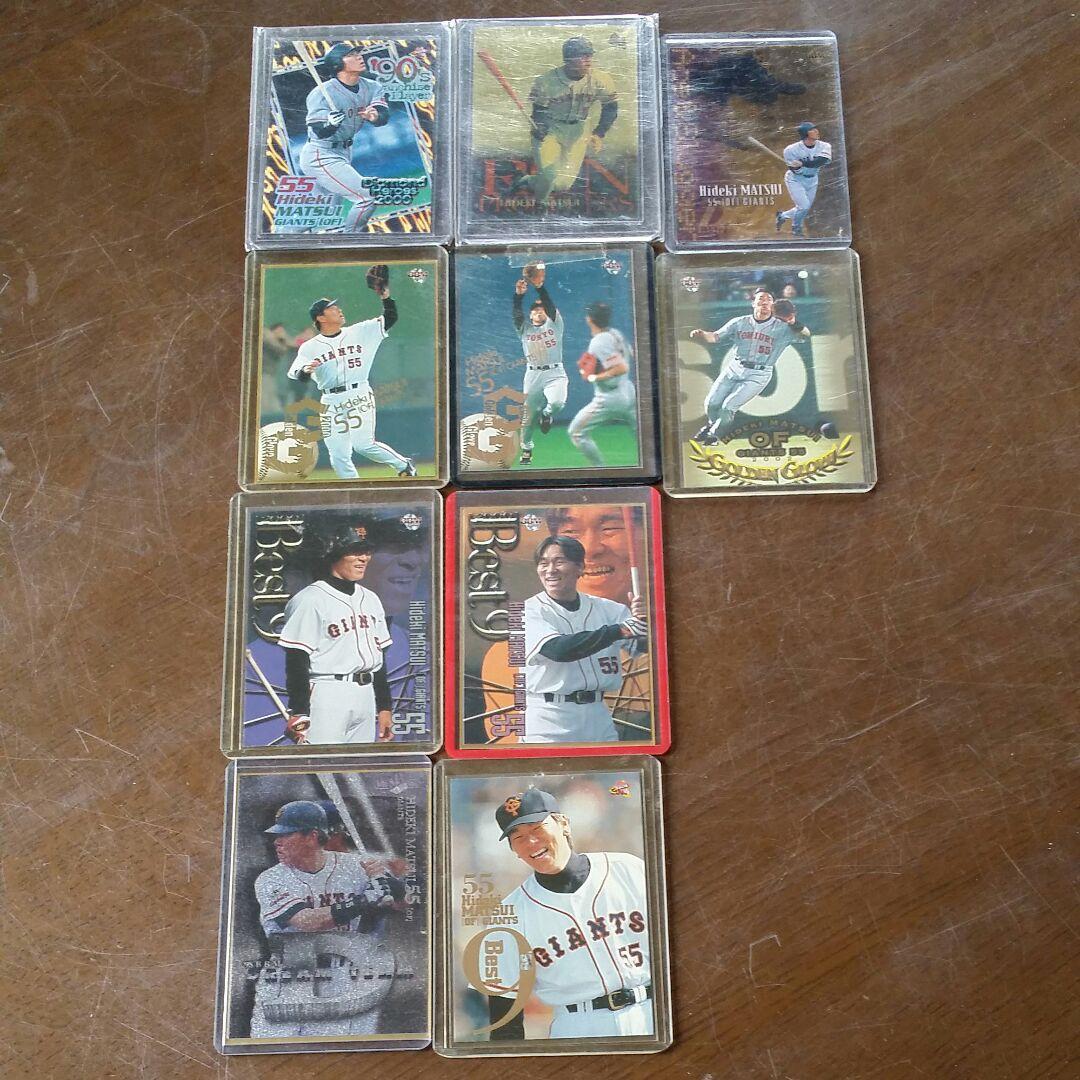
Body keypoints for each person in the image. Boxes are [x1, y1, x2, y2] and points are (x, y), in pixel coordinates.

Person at [485, 787, 653, 1040]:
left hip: (652, 1009)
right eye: (518, 837)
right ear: (514, 850)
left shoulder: (628, 870)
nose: (531, 842)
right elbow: (504, 1019)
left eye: (537, 828)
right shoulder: (510, 916)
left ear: (564, 824)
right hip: (579, 1027)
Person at [250, 800, 405, 1038]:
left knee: (327, 1052)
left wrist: (389, 883)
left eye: (287, 834)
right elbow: (308, 922)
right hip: (287, 979)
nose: (277, 842)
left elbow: (404, 902)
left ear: (312, 836)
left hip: (337, 981)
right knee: (271, 1051)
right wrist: (366, 899)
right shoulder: (271, 879)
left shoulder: (355, 866)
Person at [287, 266, 416, 479]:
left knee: (363, 445)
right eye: (332, 308)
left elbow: (390, 318)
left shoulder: (360, 331)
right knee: (338, 454)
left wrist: (385, 296)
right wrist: (305, 371)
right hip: (330, 400)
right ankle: (353, 489)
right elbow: (296, 374)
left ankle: (403, 465)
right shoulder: (310, 347)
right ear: (321, 318)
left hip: (359, 394)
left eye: (337, 307)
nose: (339, 310)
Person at [522, 536, 646, 744]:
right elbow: (559, 650)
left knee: (609, 765)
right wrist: (619, 631)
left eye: (559, 561)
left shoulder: (610, 610)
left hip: (598, 716)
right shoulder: (528, 611)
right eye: (543, 563)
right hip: (549, 718)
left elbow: (644, 647)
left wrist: (645, 622)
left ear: (580, 567)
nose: (550, 570)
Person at [278, 526, 395, 744]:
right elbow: (296, 658)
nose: (364, 558)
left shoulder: (371, 599)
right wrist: (299, 710)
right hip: (328, 694)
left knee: (359, 763)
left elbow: (380, 659)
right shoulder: (310, 599)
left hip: (366, 695)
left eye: (367, 551)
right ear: (332, 554)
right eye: (355, 551)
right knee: (322, 763)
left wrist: (385, 707)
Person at [689, 288, 812, 445]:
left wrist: (794, 323)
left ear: (773, 306)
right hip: (735, 367)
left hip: (759, 374)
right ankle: (712, 425)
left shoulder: (783, 327)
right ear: (753, 303)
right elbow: (715, 337)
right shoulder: (739, 322)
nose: (764, 302)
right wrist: (703, 334)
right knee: (711, 403)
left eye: (768, 299)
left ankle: (713, 435)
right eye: (760, 299)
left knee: (728, 407)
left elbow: (806, 335)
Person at [519, 37, 619, 208]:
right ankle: (540, 207)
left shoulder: (601, 79)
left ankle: (528, 181)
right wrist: (540, 127)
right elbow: (539, 110)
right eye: (582, 55)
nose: (588, 59)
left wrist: (599, 133)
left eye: (589, 55)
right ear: (568, 59)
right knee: (549, 175)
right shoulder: (546, 80)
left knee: (563, 184)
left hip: (579, 131)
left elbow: (611, 107)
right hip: (551, 129)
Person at [300, 43, 389, 232]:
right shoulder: (322, 93)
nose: (359, 56)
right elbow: (319, 131)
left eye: (358, 53)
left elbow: (383, 115)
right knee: (367, 197)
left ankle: (284, 235)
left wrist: (375, 117)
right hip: (320, 153)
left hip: (344, 151)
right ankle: (352, 240)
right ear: (337, 64)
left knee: (323, 213)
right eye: (351, 54)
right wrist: (330, 124)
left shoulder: (372, 86)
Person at [568, 301, 637, 466]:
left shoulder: (599, 342)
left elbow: (621, 367)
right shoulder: (615, 333)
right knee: (642, 433)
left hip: (610, 397)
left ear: (589, 319)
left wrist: (595, 377)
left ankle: (600, 469)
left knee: (576, 432)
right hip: (628, 390)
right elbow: (631, 355)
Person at [511, 263, 567, 465]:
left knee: (557, 403)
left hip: (555, 373)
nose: (538, 312)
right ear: (530, 314)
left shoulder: (555, 324)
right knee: (528, 418)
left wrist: (539, 287)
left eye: (541, 309)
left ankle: (547, 414)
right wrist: (518, 297)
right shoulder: (524, 329)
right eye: (535, 310)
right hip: (533, 375)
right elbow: (516, 314)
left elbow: (550, 305)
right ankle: (526, 449)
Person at [775, 122, 833, 237]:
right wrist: (795, 167)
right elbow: (794, 170)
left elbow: (821, 161)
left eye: (815, 129)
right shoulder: (790, 150)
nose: (816, 131)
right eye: (812, 130)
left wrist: (802, 163)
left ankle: (782, 216)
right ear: (805, 134)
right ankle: (796, 228)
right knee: (804, 207)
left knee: (804, 209)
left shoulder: (825, 146)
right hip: (795, 180)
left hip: (813, 179)